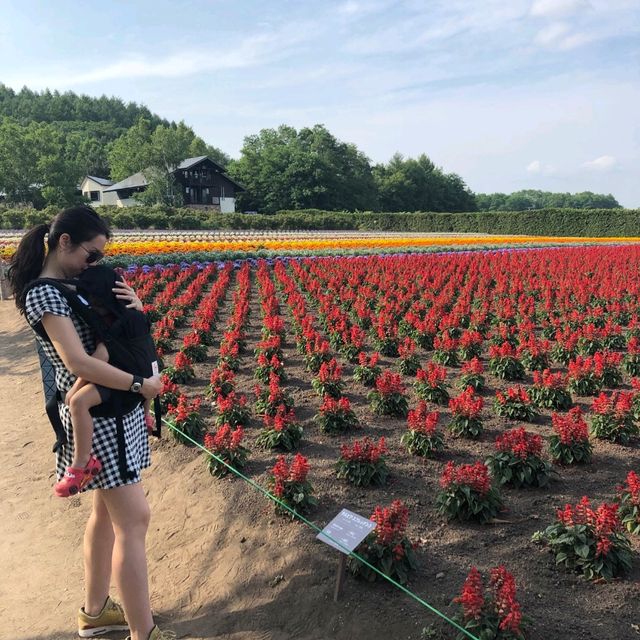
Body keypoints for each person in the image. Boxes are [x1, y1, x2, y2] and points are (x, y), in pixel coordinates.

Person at [9, 205, 175, 640]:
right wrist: (141, 383)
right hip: (100, 414)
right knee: (134, 520)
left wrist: (134, 309)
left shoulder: (69, 284)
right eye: (92, 253)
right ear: (64, 242)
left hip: (111, 405)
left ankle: (96, 611)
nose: (94, 263)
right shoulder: (45, 293)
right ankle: (145, 633)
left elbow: (110, 333)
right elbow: (78, 360)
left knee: (105, 514)